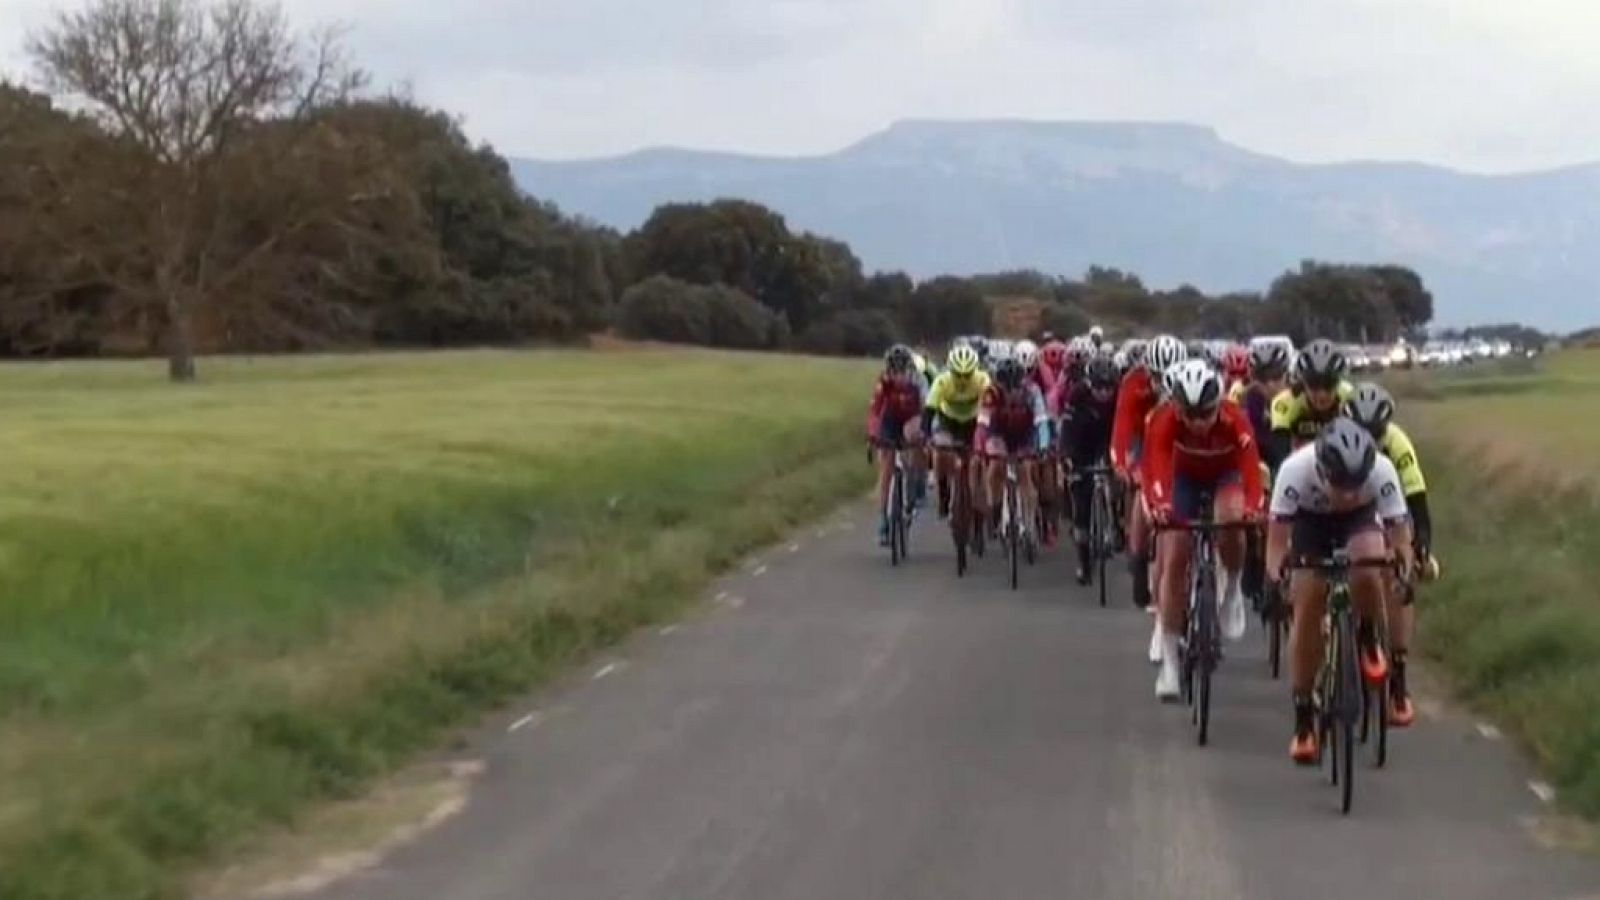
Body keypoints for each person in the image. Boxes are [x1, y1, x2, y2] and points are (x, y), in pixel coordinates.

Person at [1266, 418, 1414, 763]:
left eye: (1355, 485)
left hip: (1359, 522)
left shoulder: (1381, 470)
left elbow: (1400, 540)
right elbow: (1276, 544)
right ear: (1320, 468)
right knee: (1307, 604)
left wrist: (1403, 575)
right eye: (1339, 485)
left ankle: (1366, 635)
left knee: (1369, 563)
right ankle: (1304, 717)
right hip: (1310, 524)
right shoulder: (1294, 471)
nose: (1347, 493)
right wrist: (1275, 581)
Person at [1143, 360, 1265, 699]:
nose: (1197, 423)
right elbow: (1154, 469)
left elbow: (1251, 468)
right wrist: (1161, 506)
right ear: (1177, 407)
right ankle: (1169, 663)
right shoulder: (1164, 420)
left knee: (1231, 516)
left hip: (1224, 476)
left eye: (1206, 414)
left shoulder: (1235, 419)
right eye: (1190, 415)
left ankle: (1234, 588)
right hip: (1182, 480)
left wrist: (1254, 507)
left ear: (1217, 405)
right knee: (1175, 552)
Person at [1344, 382, 1438, 727]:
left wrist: (1421, 547)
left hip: (1389, 507)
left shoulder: (1397, 443)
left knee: (1401, 579)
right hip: (1347, 511)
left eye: (1375, 433)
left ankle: (1398, 677)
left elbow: (1417, 500)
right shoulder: (1332, 439)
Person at [1112, 335, 1186, 661]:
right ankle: (1139, 553)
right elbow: (1122, 429)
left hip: (1183, 438)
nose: (1160, 384)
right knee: (1143, 489)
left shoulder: (1193, 384)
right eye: (1156, 377)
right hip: (1146, 437)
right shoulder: (1134, 385)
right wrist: (1122, 463)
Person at [1058, 355, 1120, 584]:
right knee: (1081, 506)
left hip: (1108, 441)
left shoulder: (1120, 397)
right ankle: (1084, 563)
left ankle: (1117, 522)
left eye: (1108, 388)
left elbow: (1127, 432)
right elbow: (1067, 429)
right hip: (1081, 444)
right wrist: (1066, 456)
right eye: (1099, 387)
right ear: (1089, 384)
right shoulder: (1077, 394)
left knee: (1120, 479)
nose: (1104, 393)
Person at [976, 358, 1051, 542]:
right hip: (998, 434)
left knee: (1025, 472)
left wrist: (1043, 446)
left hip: (1024, 435)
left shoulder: (1032, 391)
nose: (1010, 391)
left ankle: (1030, 521)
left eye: (1014, 386)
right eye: (1005, 386)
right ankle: (994, 508)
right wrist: (980, 447)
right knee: (995, 467)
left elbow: (1041, 422)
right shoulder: (990, 393)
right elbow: (983, 425)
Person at [867, 345, 930, 546]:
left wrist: (924, 433)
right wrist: (872, 435)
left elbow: (926, 408)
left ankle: (916, 486)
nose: (898, 376)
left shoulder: (918, 381)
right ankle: (883, 521)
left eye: (902, 371)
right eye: (894, 371)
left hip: (911, 418)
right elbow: (876, 410)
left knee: (913, 440)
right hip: (890, 420)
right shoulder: (884, 381)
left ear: (909, 369)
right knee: (885, 468)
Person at [923, 344, 991, 526]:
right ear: (950, 370)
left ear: (974, 371)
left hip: (973, 422)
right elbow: (929, 411)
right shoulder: (943, 381)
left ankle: (979, 496)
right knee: (940, 454)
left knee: (978, 460)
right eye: (957, 375)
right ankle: (944, 493)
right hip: (948, 421)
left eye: (967, 375)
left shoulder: (983, 380)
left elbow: (992, 405)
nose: (962, 380)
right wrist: (926, 436)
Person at [1267, 338, 1353, 468]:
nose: (1322, 394)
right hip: (1300, 467)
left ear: (1338, 382)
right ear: (1303, 383)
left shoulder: (1349, 397)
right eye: (1314, 386)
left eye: (1328, 385)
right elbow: (1281, 458)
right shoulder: (1284, 403)